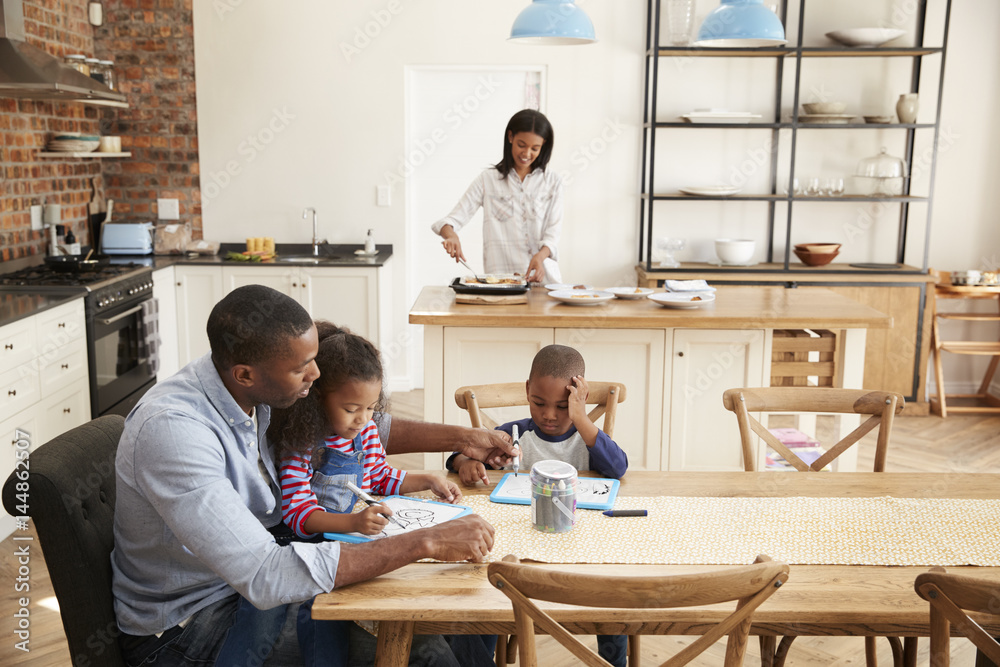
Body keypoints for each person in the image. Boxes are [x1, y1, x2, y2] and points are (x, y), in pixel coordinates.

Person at [111, 285, 513, 667]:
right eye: (303, 368)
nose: (317, 375)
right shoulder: (175, 432)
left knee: (460, 616)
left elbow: (361, 426)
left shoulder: (257, 387)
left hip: (251, 584)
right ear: (245, 374)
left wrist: (465, 437)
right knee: (424, 643)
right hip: (193, 625)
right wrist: (424, 541)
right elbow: (265, 574)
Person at [271, 322, 497, 666]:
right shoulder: (301, 444)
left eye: (370, 407)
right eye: (350, 409)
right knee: (334, 621)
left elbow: (379, 477)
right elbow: (299, 516)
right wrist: (351, 521)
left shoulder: (366, 431)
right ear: (317, 398)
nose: (362, 419)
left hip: (357, 541)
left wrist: (427, 479)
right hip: (316, 554)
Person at [445, 343, 629, 667]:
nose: (548, 415)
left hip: (580, 554)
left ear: (578, 399)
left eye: (562, 406)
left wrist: (581, 418)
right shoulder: (514, 435)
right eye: (539, 403)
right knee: (483, 586)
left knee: (613, 595)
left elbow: (618, 467)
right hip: (519, 553)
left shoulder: (586, 440)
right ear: (527, 390)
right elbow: (458, 455)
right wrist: (464, 463)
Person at [432, 108, 563, 284]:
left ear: (544, 145)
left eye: (535, 148)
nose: (526, 154)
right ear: (510, 137)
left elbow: (553, 233)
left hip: (544, 281)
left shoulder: (553, 181)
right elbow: (449, 221)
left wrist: (540, 256)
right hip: (502, 283)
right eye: (521, 145)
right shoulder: (488, 180)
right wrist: (451, 235)